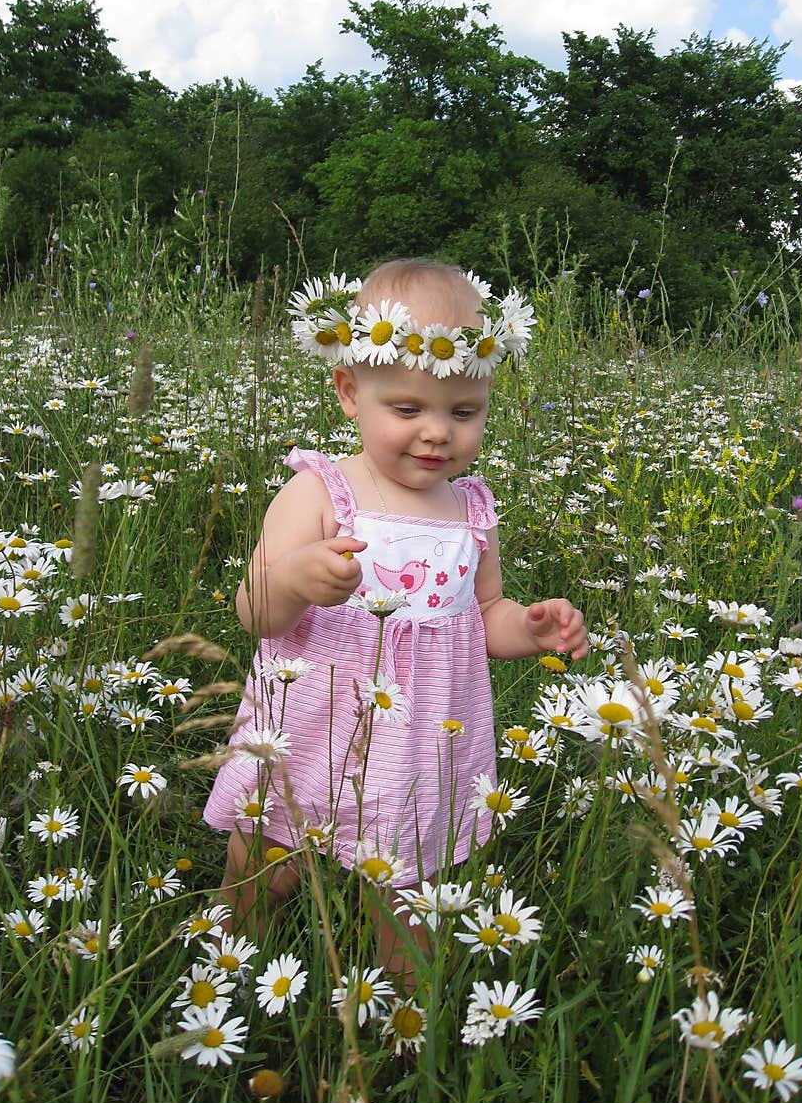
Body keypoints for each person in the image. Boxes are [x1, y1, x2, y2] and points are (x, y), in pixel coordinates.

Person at [202, 258, 588, 989]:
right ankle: (230, 963)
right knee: (263, 853)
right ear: (350, 391)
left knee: (408, 881)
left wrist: (528, 628)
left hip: (418, 744)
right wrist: (294, 579)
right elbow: (254, 610)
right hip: (310, 725)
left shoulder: (471, 508)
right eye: (407, 409)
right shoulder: (320, 490)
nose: (437, 433)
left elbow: (484, 615)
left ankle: (400, 1013)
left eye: (463, 412)